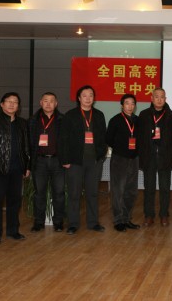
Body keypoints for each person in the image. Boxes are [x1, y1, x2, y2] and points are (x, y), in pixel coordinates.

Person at [0, 92, 30, 245]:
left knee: (14, 202)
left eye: (15, 102)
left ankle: (13, 231)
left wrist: (27, 167)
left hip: (17, 169)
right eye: (8, 101)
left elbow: (26, 147)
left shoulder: (22, 123)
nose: (11, 104)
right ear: (2, 104)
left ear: (18, 106)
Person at [58, 85, 108, 235]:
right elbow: (63, 139)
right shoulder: (70, 115)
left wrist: (101, 155)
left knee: (92, 193)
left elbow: (103, 137)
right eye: (84, 95)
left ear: (94, 98)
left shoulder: (99, 115)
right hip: (75, 161)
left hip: (94, 161)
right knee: (74, 193)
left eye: (91, 95)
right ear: (79, 98)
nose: (88, 98)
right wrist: (65, 159)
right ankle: (73, 224)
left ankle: (93, 223)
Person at [137, 88, 172, 227]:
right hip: (149, 157)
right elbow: (139, 138)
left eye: (162, 97)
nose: (159, 99)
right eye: (156, 97)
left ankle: (164, 215)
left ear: (165, 99)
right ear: (152, 98)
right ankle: (148, 215)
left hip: (165, 157)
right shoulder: (144, 115)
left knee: (165, 188)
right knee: (149, 188)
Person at [28, 92, 64, 232]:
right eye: (45, 101)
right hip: (39, 162)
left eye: (51, 101)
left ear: (56, 104)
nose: (48, 103)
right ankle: (38, 222)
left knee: (59, 193)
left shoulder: (62, 119)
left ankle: (59, 221)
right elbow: (29, 143)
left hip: (58, 161)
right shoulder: (32, 120)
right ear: (40, 102)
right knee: (39, 193)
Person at [106, 94, 140, 232]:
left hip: (134, 159)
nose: (130, 106)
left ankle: (127, 219)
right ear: (122, 105)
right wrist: (121, 148)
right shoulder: (115, 120)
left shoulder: (138, 120)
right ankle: (118, 220)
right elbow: (108, 139)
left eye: (132, 104)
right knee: (118, 190)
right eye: (127, 103)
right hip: (120, 159)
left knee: (131, 191)